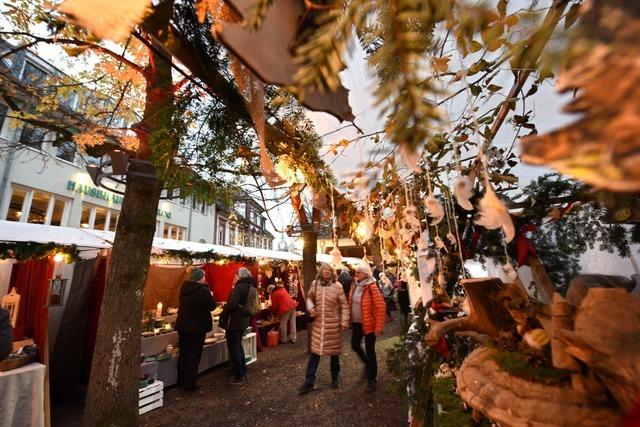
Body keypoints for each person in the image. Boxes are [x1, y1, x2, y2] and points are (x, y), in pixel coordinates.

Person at [299, 263, 350, 394]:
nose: (326, 271)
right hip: (318, 325)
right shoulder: (315, 284)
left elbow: (344, 305)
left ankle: (335, 378)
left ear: (332, 272)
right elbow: (309, 298)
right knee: (315, 353)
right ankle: (309, 380)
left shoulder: (338, 286)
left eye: (329, 269)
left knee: (334, 354)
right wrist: (310, 308)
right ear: (321, 271)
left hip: (333, 325)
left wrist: (344, 321)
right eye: (324, 269)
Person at [175, 268, 217, 392]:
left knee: (184, 354)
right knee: (194, 355)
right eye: (203, 277)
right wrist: (208, 293)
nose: (205, 279)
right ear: (199, 278)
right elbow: (212, 306)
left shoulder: (184, 288)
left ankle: (181, 381)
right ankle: (190, 383)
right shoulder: (202, 290)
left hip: (183, 326)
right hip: (197, 327)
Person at [350, 262, 386, 393]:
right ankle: (368, 365)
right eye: (356, 272)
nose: (356, 274)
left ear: (365, 273)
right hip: (357, 323)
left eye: (358, 272)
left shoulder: (372, 287)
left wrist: (378, 327)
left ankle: (372, 379)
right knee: (354, 345)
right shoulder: (354, 285)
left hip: (369, 324)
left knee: (370, 350)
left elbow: (380, 307)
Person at [220, 267, 254, 385]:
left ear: (240, 276)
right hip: (243, 320)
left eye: (236, 276)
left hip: (235, 321)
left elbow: (232, 304)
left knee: (234, 347)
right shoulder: (249, 285)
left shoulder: (240, 287)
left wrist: (224, 311)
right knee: (238, 346)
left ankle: (239, 375)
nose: (234, 278)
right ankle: (242, 369)